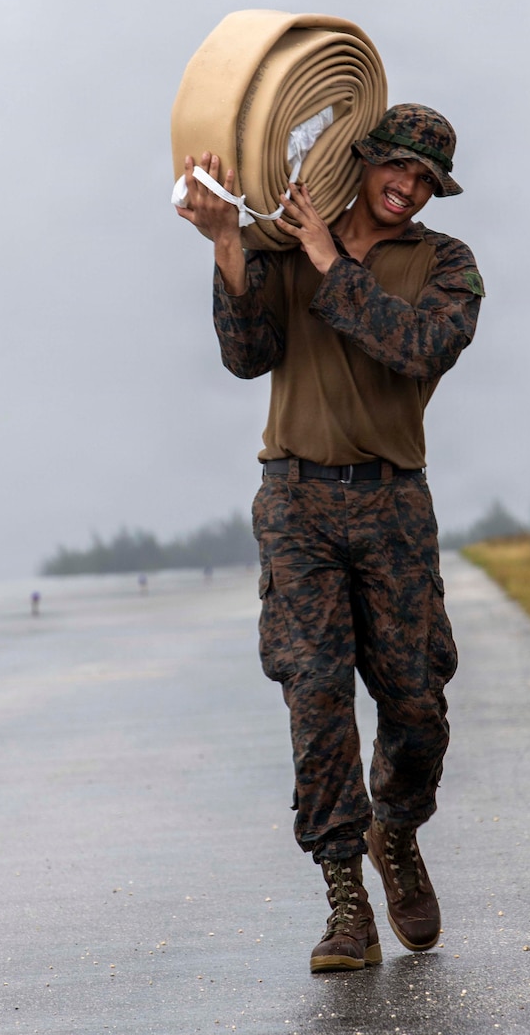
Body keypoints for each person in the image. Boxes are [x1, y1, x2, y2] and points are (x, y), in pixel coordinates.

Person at [176, 104, 484, 973]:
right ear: (367, 160)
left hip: (393, 506)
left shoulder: (445, 264)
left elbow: (415, 349)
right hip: (296, 502)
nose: (408, 188)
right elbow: (247, 357)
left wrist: (329, 261)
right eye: (398, 168)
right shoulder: (281, 240)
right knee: (316, 703)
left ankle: (397, 829)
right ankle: (343, 898)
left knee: (416, 705)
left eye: (425, 181)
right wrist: (228, 244)